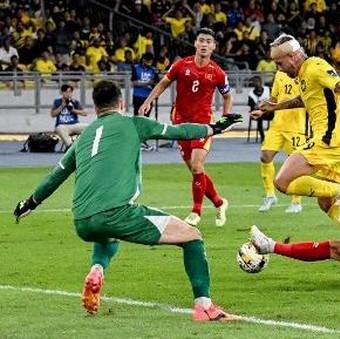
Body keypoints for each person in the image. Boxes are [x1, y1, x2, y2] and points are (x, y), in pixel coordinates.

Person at [13, 80, 243, 320]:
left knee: (107, 234)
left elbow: (56, 175)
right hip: (116, 213)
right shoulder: (133, 123)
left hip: (81, 220)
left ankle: (97, 268)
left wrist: (29, 203)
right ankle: (204, 308)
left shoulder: (83, 137)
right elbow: (180, 131)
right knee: (192, 236)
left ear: (95, 107)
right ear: (121, 103)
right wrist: (214, 128)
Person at [250, 33, 340, 247]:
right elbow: (304, 99)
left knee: (282, 181)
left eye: (280, 62)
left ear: (293, 56)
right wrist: (275, 107)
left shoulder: (315, 66)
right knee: (326, 203)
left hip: (329, 141)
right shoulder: (304, 74)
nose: (279, 68)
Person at [139, 28, 232, 228]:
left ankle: (196, 212)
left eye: (209, 41)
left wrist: (225, 119)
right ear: (196, 43)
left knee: (198, 165)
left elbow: (227, 96)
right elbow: (163, 84)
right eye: (201, 40)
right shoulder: (181, 65)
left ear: (214, 46)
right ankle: (219, 202)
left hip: (203, 125)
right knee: (195, 170)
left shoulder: (217, 72)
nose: (205, 44)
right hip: (181, 124)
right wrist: (148, 101)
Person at [255, 70, 308, 214]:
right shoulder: (279, 74)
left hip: (296, 127)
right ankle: (270, 196)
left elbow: (304, 100)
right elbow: (274, 98)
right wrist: (263, 111)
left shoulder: (304, 73)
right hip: (278, 125)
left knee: (295, 162)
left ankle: (296, 201)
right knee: (265, 156)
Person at [132, 52, 160, 151]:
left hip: (148, 97)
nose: (149, 63)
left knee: (145, 119)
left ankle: (142, 140)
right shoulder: (136, 68)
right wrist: (147, 83)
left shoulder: (153, 70)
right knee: (137, 118)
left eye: (150, 62)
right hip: (138, 96)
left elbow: (157, 83)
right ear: (143, 60)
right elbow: (134, 82)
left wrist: (154, 83)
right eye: (147, 61)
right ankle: (136, 141)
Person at [50, 84, 88, 152]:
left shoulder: (74, 102)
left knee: (88, 127)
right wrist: (61, 106)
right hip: (62, 125)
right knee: (59, 128)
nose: (68, 94)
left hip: (74, 124)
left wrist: (74, 110)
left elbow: (85, 113)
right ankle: (70, 147)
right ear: (62, 93)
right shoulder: (57, 101)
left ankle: (85, 146)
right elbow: (53, 114)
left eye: (70, 92)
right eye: (66, 92)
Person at [247, 75, 271, 143]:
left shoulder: (268, 89)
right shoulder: (251, 94)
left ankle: (271, 136)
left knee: (278, 116)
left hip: (269, 111)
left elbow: (274, 100)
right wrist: (257, 108)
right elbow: (252, 108)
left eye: (258, 81)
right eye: (255, 82)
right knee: (258, 116)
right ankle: (263, 137)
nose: (257, 83)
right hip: (259, 112)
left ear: (261, 82)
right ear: (253, 84)